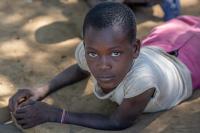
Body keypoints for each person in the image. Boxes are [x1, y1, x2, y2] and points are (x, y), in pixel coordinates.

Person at [8, 2, 200, 131]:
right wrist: (41, 90)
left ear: (135, 50)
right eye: (93, 53)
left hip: (187, 64)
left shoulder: (142, 81)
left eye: (115, 53)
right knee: (174, 28)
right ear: (85, 47)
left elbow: (118, 121)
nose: (102, 65)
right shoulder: (89, 52)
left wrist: (55, 114)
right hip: (162, 42)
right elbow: (79, 69)